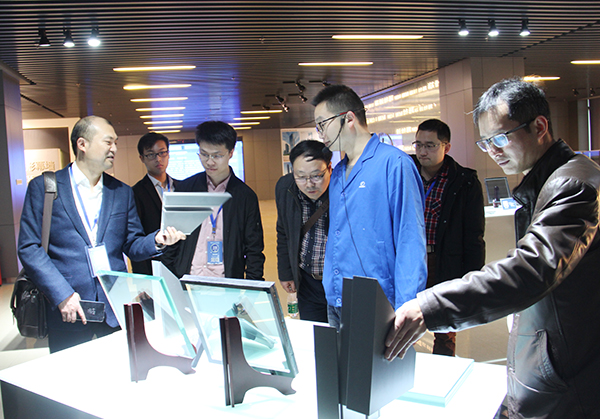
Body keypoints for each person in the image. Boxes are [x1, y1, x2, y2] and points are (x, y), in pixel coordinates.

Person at [385, 78, 600, 419]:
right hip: (553, 360)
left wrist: (430, 306)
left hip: (570, 374)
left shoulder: (573, 183)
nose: (494, 151)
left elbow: (532, 268)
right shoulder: (547, 182)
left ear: (539, 126)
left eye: (500, 138)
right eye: (485, 143)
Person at [18, 116, 185, 353]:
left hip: (113, 307)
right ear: (82, 144)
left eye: (115, 143)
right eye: (108, 142)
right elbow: (29, 247)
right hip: (69, 307)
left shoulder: (121, 192)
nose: (114, 148)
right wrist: (62, 294)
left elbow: (131, 244)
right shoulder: (45, 188)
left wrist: (157, 240)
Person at [311, 84, 427, 329]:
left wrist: (407, 304)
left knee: (382, 356)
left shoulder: (394, 164)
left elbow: (410, 239)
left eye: (322, 124)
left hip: (377, 299)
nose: (320, 133)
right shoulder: (338, 172)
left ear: (348, 118)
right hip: (337, 296)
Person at [411, 119, 485, 356]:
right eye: (418, 144)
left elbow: (474, 235)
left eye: (430, 145)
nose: (422, 151)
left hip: (443, 259)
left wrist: (473, 277)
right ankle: (399, 370)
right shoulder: (405, 172)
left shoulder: (464, 181)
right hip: (408, 259)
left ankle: (442, 372)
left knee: (445, 326)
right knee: (402, 319)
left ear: (447, 146)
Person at [162, 121, 265, 280]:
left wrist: (253, 286)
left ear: (231, 153)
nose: (209, 162)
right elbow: (172, 240)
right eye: (204, 154)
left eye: (217, 155)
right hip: (188, 279)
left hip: (227, 282)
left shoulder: (245, 196)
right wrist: (170, 279)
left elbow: (254, 250)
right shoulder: (186, 189)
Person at [276, 140, 332, 323]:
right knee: (315, 334)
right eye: (300, 176)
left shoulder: (344, 189)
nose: (309, 184)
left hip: (339, 283)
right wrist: (286, 272)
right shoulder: (285, 188)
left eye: (316, 176)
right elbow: (283, 231)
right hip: (307, 282)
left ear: (329, 168)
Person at [132, 132, 178, 275]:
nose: (158, 159)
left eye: (162, 153)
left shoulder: (183, 187)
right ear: (142, 158)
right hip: (154, 266)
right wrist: (142, 279)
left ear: (168, 154)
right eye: (151, 154)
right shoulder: (135, 193)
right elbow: (136, 239)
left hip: (182, 263)